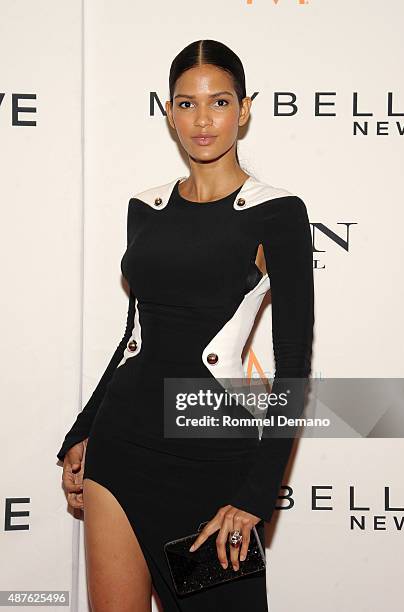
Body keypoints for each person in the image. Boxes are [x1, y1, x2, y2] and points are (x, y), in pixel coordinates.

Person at [57, 39, 314, 611]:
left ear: (244, 109)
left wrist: (254, 499)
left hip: (214, 458)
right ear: (169, 112)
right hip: (122, 450)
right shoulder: (144, 208)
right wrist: (82, 430)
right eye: (187, 104)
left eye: (219, 103)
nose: (203, 120)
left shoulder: (279, 212)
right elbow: (135, 337)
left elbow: (294, 367)